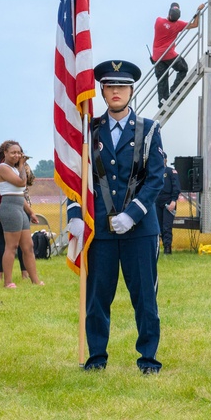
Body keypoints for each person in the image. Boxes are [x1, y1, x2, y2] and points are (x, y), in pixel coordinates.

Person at [66, 60, 166, 373]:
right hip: (99, 228)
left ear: (132, 91)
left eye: (122, 86)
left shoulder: (149, 129)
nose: (116, 91)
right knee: (97, 298)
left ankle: (148, 358)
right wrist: (74, 213)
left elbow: (156, 177)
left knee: (145, 299)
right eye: (111, 86)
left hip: (140, 229)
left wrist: (134, 213)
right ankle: (96, 357)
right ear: (102, 91)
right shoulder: (88, 130)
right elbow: (76, 176)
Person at [0, 140, 43, 288]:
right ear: (5, 154)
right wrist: (22, 164)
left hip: (19, 207)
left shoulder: (15, 169)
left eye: (19, 152)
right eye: (13, 152)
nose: (17, 155)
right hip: (9, 208)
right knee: (12, 246)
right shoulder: (3, 168)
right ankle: (7, 281)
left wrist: (31, 212)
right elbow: (21, 183)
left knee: (28, 246)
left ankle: (35, 280)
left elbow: (20, 195)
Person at [151, 2, 205, 107]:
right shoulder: (178, 24)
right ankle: (174, 90)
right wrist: (198, 11)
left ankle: (162, 101)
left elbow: (165, 24)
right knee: (183, 68)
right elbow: (195, 24)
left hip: (157, 56)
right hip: (169, 54)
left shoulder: (158, 21)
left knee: (162, 78)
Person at [157, 159, 181, 254]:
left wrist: (173, 200)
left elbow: (176, 187)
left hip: (168, 201)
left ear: (165, 160)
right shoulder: (154, 171)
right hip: (157, 201)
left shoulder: (171, 171)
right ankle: (158, 247)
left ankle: (167, 248)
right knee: (158, 226)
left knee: (166, 226)